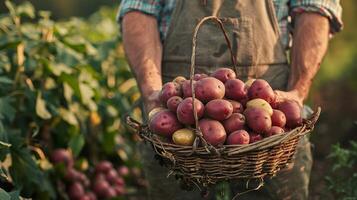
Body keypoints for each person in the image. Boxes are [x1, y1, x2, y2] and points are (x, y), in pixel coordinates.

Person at [118, 0, 342, 199]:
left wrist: (297, 92)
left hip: (271, 116)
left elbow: (316, 8)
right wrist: (151, 92)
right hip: (176, 114)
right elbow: (138, 10)